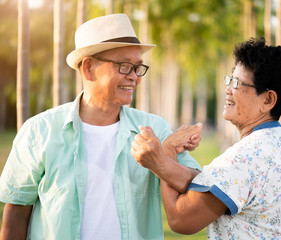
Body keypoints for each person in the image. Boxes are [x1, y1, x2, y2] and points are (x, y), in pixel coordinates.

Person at [0, 14, 202, 240]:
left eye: (138, 67)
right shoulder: (39, 131)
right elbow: (16, 214)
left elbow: (202, 188)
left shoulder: (155, 130)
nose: (134, 77)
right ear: (88, 68)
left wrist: (163, 160)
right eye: (125, 66)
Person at [131, 38, 281, 239]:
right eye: (230, 80)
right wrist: (167, 154)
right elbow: (214, 184)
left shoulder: (248, 155)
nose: (228, 90)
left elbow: (180, 218)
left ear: (268, 99)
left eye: (237, 83)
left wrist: (161, 158)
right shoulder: (280, 145)